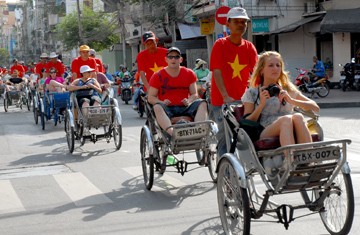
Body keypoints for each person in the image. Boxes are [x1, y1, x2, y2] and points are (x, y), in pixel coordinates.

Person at [242, 51, 320, 147]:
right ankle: (290, 159)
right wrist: (261, 105)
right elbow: (247, 122)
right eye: (271, 65)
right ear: (261, 70)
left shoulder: (288, 89)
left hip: (291, 124)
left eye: (278, 65)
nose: (275, 68)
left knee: (298, 116)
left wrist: (291, 100)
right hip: (265, 129)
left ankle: (307, 157)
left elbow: (316, 108)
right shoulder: (252, 93)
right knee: (286, 119)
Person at [209, 7, 258, 157]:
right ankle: (224, 174)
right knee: (225, 139)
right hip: (221, 101)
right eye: (236, 21)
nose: (241, 25)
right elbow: (216, 71)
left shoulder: (249, 47)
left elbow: (256, 73)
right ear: (228, 24)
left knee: (246, 136)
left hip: (243, 100)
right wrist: (225, 96)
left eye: (243, 22)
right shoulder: (220, 44)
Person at [148, 47, 208, 137]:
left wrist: (189, 100)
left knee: (202, 103)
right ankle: (173, 134)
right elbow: (151, 97)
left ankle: (198, 131)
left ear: (181, 59)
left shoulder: (189, 73)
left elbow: (194, 94)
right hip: (167, 108)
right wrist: (161, 102)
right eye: (170, 57)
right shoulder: (158, 75)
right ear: (166, 59)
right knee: (157, 107)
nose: (173, 59)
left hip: (185, 107)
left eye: (176, 57)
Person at [135, 31, 168, 109]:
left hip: (167, 85)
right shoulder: (141, 56)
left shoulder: (166, 52)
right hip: (152, 86)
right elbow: (142, 73)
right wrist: (149, 88)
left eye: (152, 42)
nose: (151, 46)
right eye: (148, 44)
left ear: (156, 40)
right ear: (144, 45)